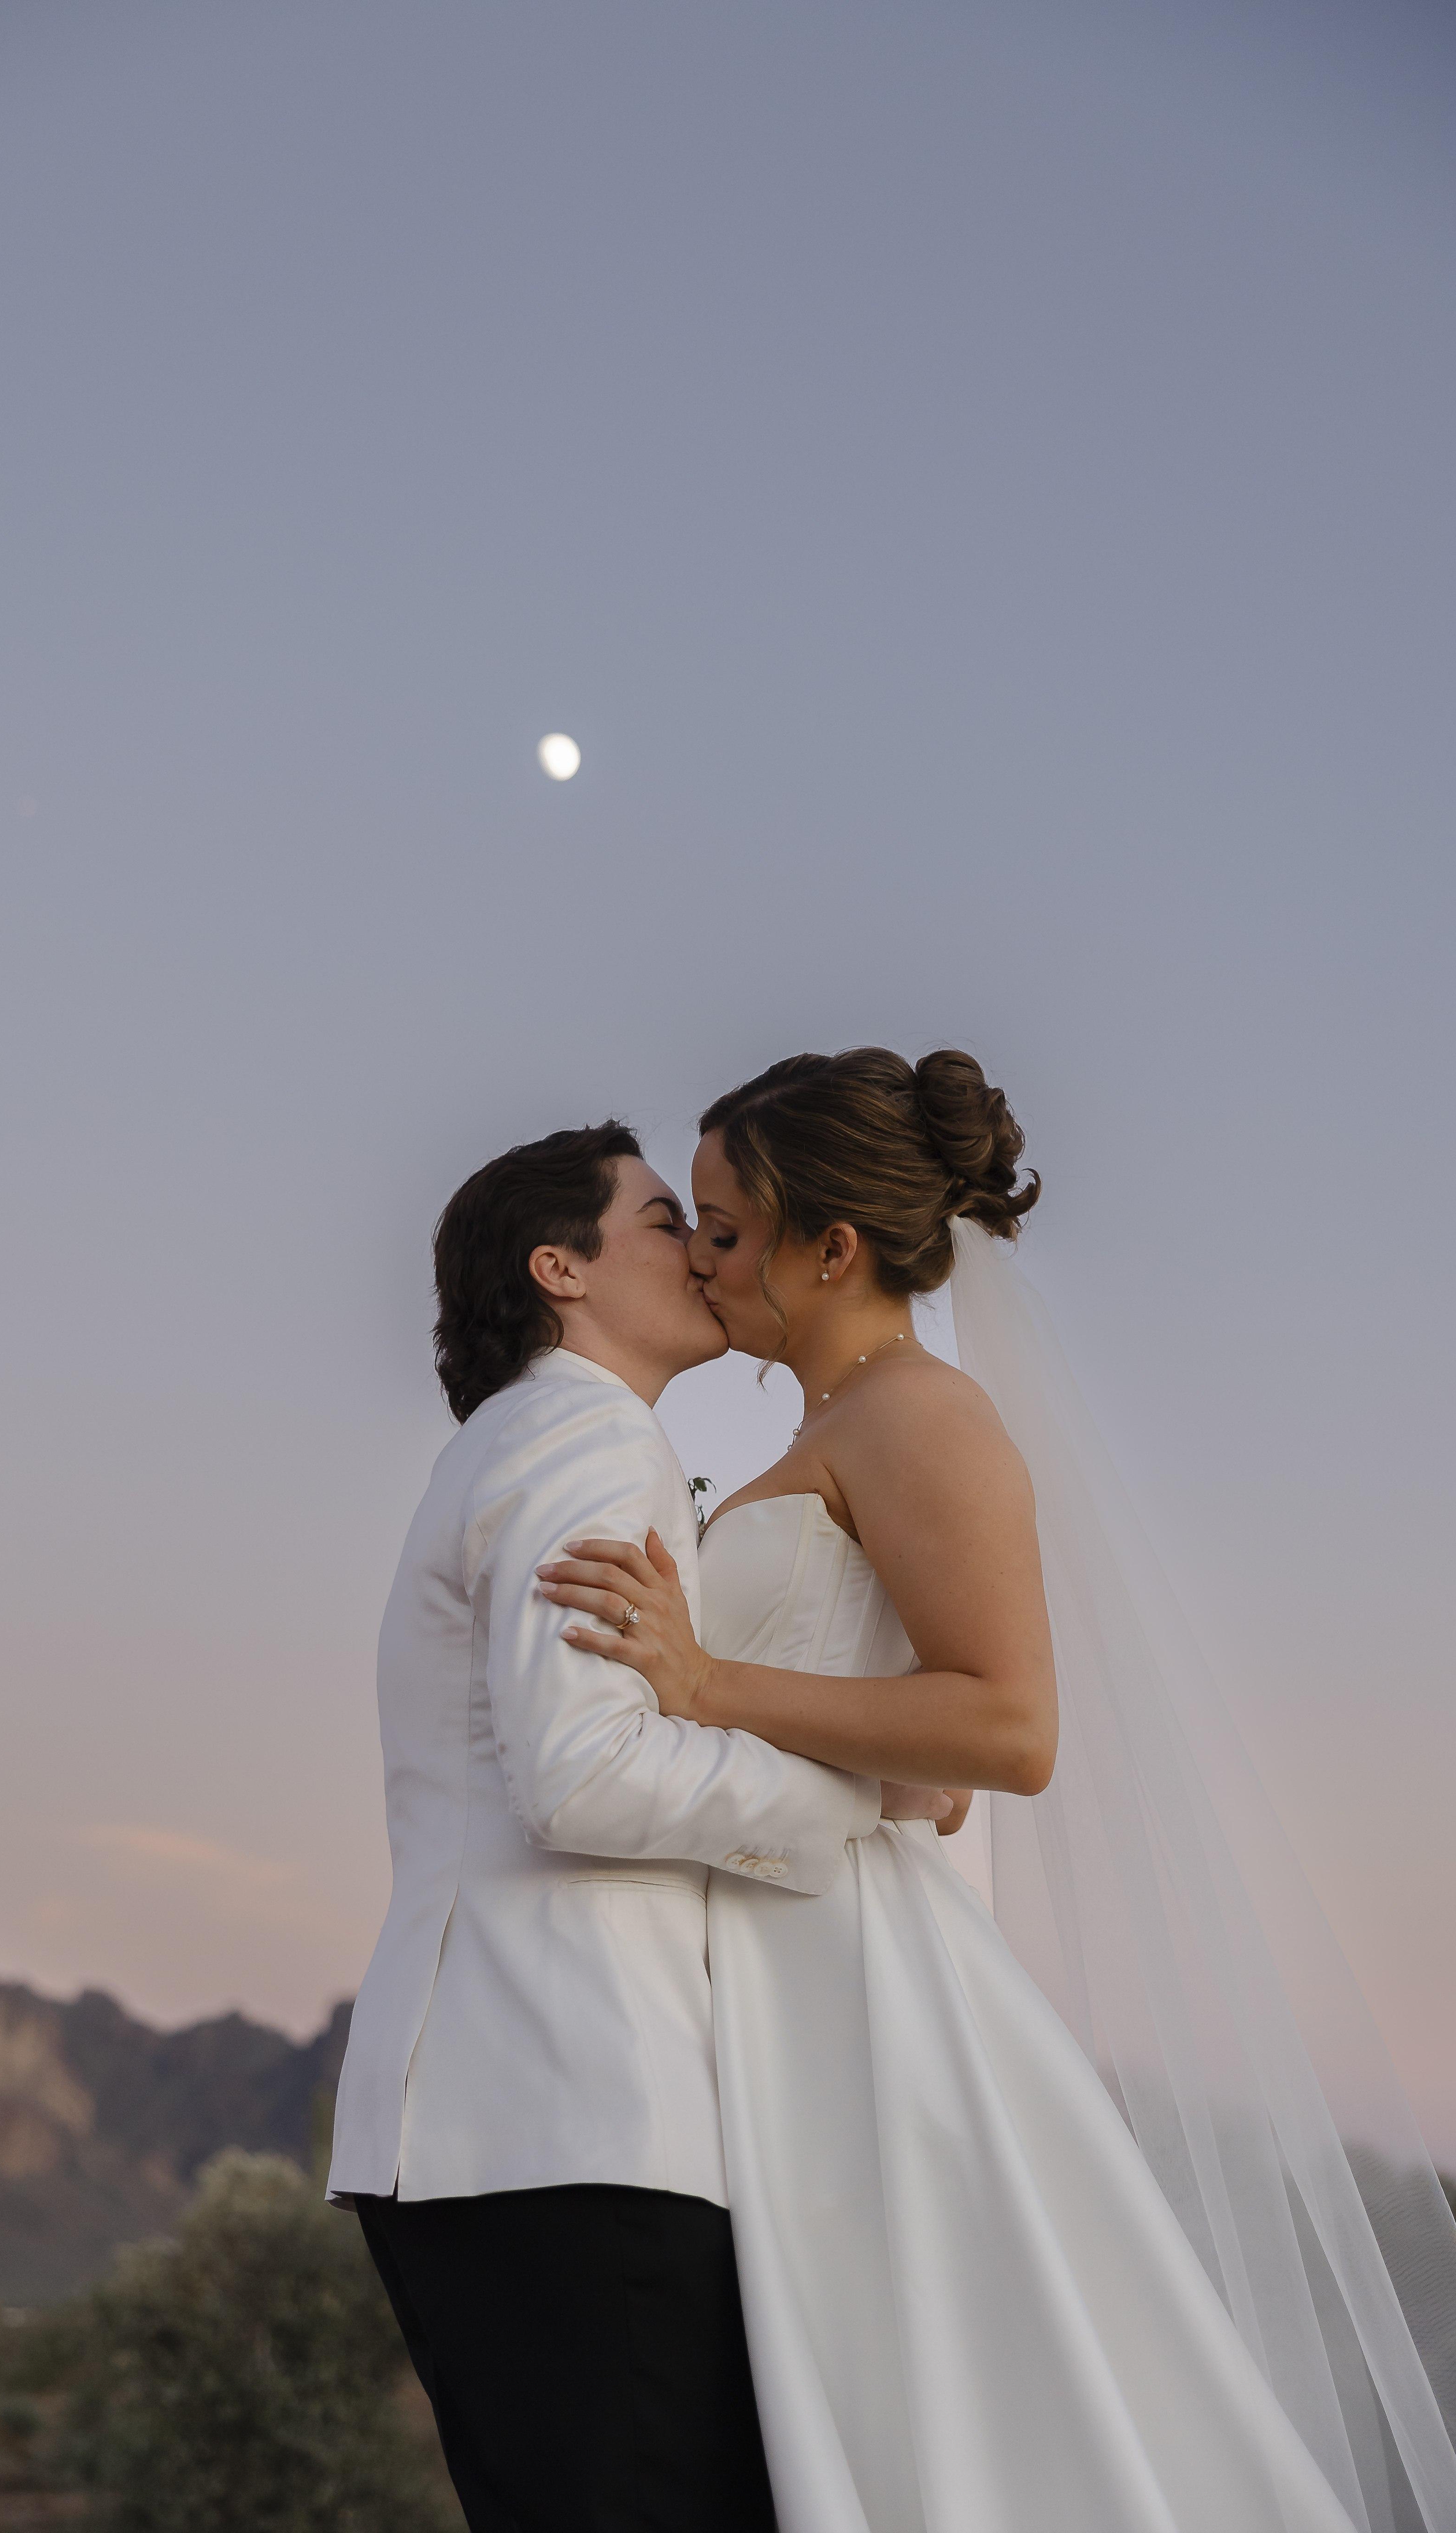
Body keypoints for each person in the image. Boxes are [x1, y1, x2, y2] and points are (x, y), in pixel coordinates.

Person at [540, 1048, 1456, 2533]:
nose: (700, 1259)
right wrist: (882, 1763)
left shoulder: (920, 1415)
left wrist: (707, 1684)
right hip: (769, 1956)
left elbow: (1014, 1726)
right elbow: (926, 1751)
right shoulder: (833, 1425)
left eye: (723, 1228)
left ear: (832, 1247)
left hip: (856, 1981)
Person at [329, 1119, 897, 2533]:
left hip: (514, 2122)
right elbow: (582, 1777)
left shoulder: (524, 1442)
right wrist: (859, 1800)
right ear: (560, 1268)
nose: (703, 1249)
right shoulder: (582, 1436)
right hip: (564, 2109)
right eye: (661, 1220)